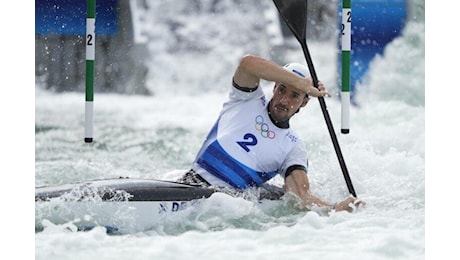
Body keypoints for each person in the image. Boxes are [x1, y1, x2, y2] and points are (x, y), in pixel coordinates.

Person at [178, 54, 364, 213]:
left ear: (304, 103)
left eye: (295, 96)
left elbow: (300, 196)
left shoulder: (293, 147)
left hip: (223, 207)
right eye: (282, 89)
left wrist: (336, 208)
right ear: (274, 87)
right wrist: (301, 84)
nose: (284, 100)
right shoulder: (245, 99)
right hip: (188, 184)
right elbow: (248, 63)